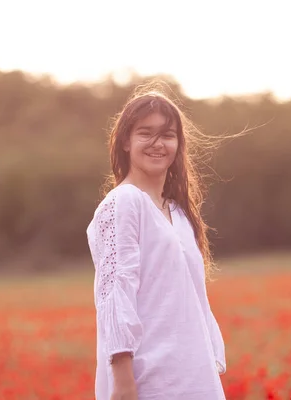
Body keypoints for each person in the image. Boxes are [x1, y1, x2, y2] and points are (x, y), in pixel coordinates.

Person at [86, 86, 227, 400]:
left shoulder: (178, 211)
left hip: (193, 375)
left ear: (178, 143)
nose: (157, 143)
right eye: (145, 133)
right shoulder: (123, 203)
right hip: (148, 379)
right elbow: (115, 293)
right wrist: (123, 383)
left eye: (167, 134)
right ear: (125, 141)